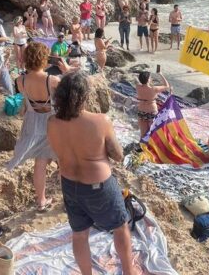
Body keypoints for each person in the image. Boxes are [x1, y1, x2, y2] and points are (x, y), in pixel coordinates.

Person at [47, 71, 137, 275]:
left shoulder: (52, 122)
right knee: (120, 226)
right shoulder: (100, 121)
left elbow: (57, 153)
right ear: (84, 96)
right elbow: (118, 155)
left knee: (79, 234)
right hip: (99, 186)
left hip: (69, 185)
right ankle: (130, 273)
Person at [7, 42, 60, 212]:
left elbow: (25, 101)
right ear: (43, 59)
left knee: (40, 163)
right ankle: (69, 198)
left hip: (33, 123)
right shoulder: (52, 80)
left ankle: (41, 201)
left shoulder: (19, 80)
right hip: (52, 123)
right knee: (64, 161)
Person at [135, 71, 171, 139]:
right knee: (152, 133)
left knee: (143, 134)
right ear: (148, 79)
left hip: (141, 111)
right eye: (150, 77)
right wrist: (161, 74)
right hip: (151, 112)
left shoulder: (138, 87)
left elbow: (138, 81)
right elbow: (167, 86)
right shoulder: (154, 89)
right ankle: (151, 147)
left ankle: (142, 147)